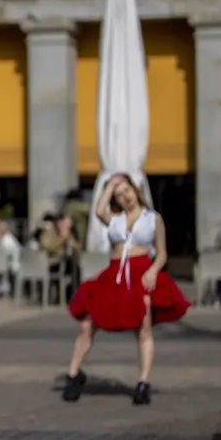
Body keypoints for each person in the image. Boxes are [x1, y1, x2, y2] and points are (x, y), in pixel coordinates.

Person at [64, 174, 190, 405]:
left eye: (127, 190)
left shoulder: (153, 219)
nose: (125, 196)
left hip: (141, 273)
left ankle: (143, 383)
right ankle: (73, 374)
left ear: (136, 189)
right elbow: (99, 210)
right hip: (113, 276)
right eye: (119, 194)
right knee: (88, 324)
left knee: (143, 327)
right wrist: (110, 183)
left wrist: (152, 271)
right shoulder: (114, 219)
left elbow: (162, 253)